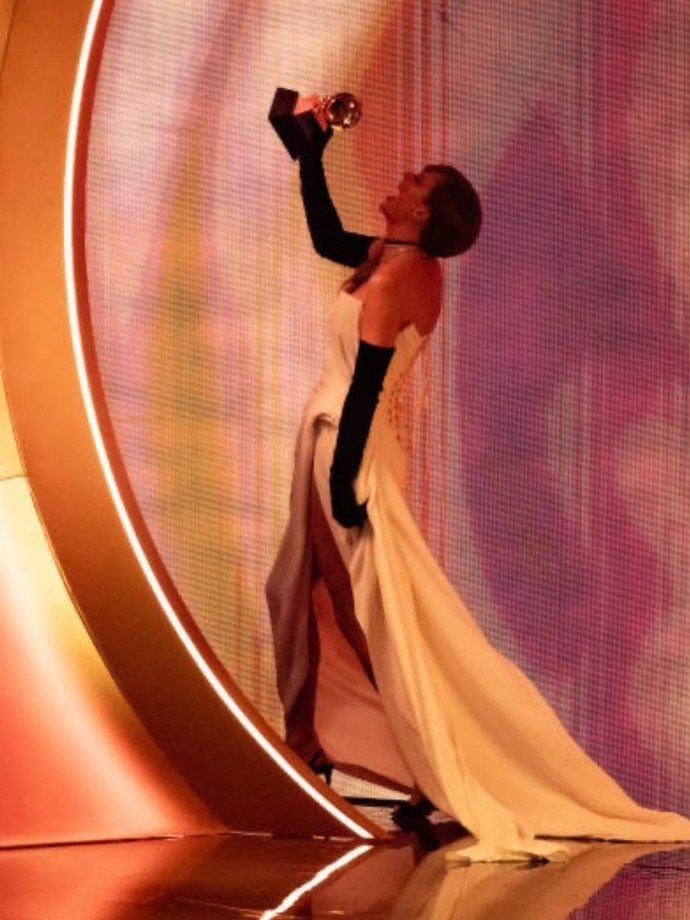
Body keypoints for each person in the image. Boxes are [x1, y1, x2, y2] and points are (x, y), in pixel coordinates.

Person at [265, 124, 690, 863]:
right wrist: (312, 156)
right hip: (340, 438)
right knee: (318, 595)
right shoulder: (401, 260)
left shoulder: (398, 278)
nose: (402, 181)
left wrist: (342, 482)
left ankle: (383, 753)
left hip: (347, 445)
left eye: (415, 183)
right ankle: (331, 746)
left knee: (360, 610)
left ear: (423, 213)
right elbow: (330, 238)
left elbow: (365, 392)